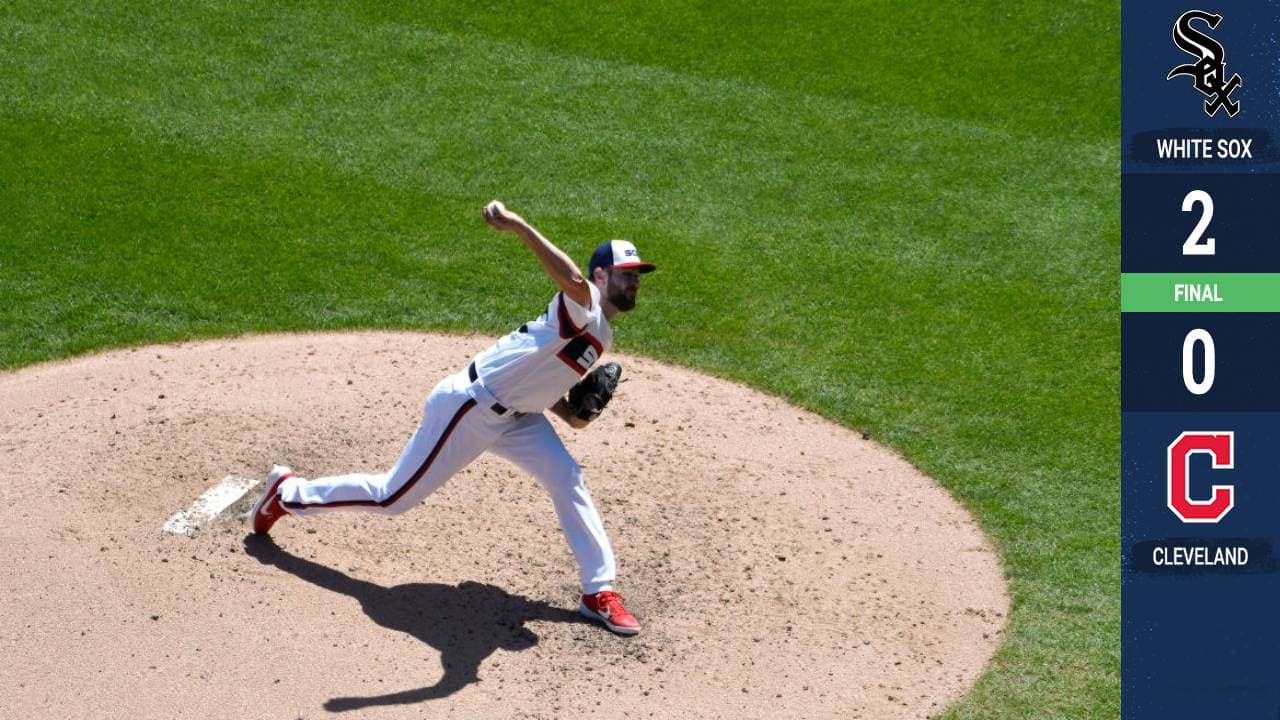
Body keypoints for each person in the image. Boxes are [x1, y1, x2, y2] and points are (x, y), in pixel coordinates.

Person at [249, 200, 655, 635]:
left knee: (566, 475)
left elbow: (542, 381)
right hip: (471, 407)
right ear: (600, 276)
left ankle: (599, 590)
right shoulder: (584, 304)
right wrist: (518, 226)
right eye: (626, 273)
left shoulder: (602, 332)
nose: (634, 282)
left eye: (636, 276)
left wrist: (574, 417)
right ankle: (288, 493)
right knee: (391, 498)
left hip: (518, 416)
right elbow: (570, 279)